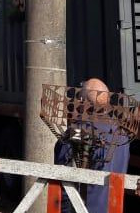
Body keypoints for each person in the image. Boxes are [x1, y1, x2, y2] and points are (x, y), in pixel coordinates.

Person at [54, 78, 131, 213]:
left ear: (83, 102)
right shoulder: (121, 134)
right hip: (113, 208)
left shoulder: (77, 132)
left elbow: (63, 176)